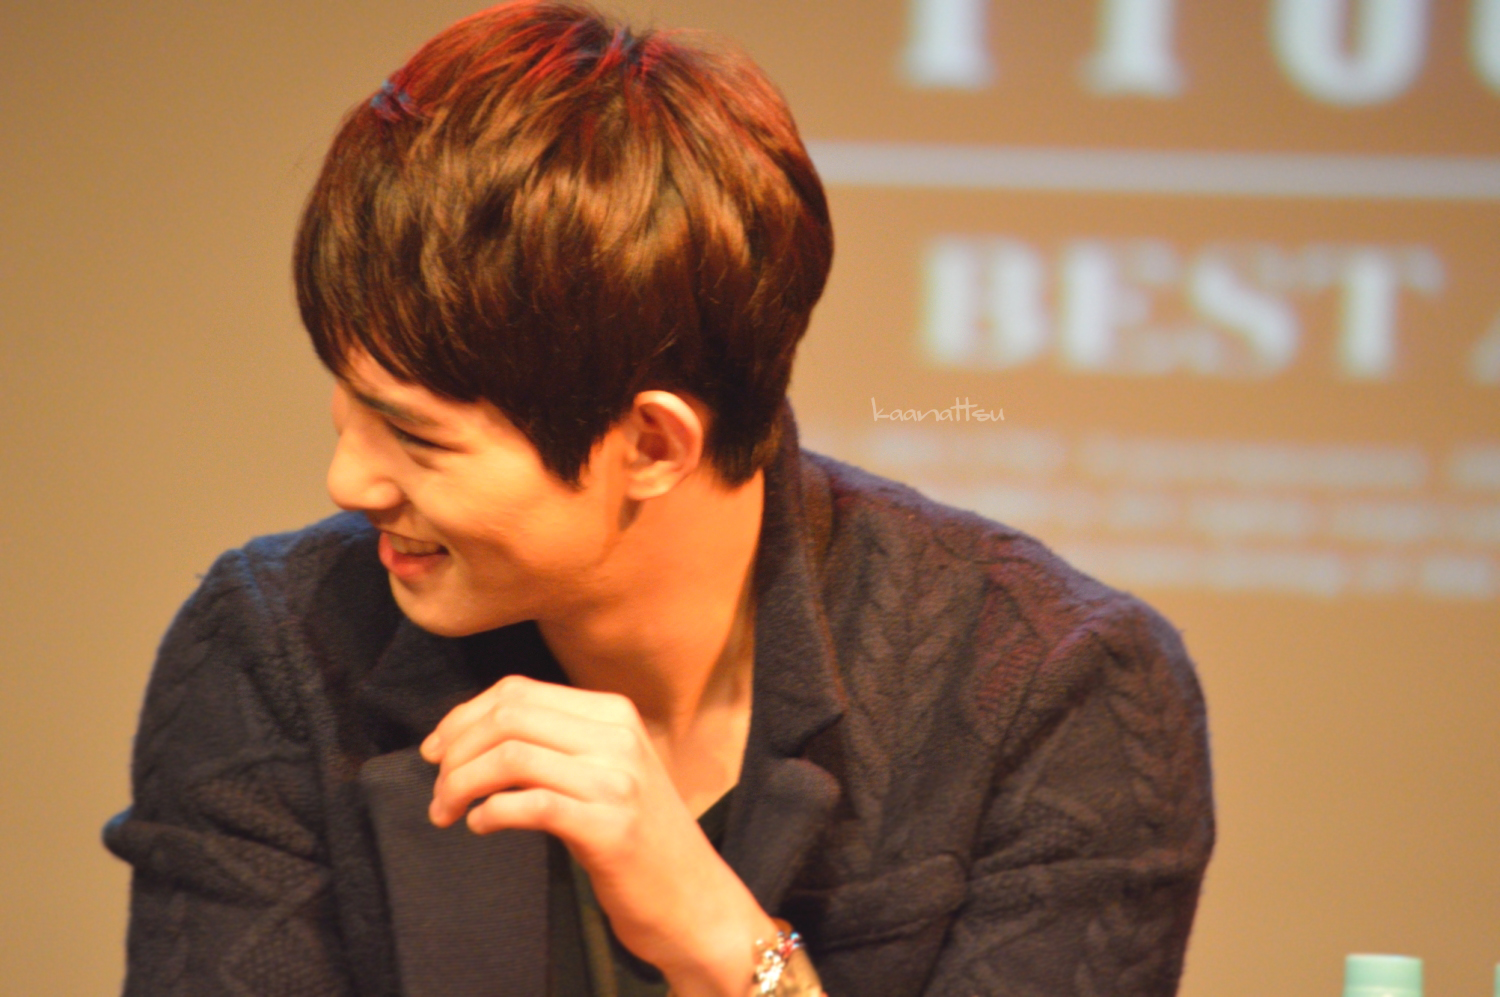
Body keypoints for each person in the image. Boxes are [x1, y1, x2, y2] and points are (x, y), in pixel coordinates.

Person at [104, 3, 1214, 995]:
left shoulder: (1050, 689)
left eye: (419, 438)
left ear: (651, 443)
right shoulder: (282, 646)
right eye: (347, 409)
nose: (348, 482)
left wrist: (724, 945)